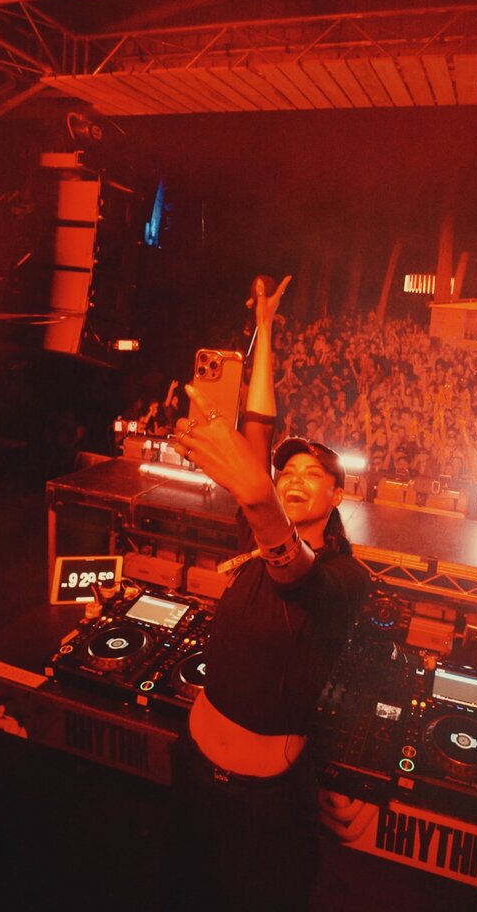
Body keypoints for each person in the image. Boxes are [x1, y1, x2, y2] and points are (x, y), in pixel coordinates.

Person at [162, 274, 369, 912]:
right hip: (193, 767)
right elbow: (259, 424)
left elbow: (295, 574)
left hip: (264, 803)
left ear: (338, 495)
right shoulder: (254, 534)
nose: (294, 477)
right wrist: (265, 327)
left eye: (314, 474)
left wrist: (259, 499)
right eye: (286, 471)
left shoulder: (346, 577)